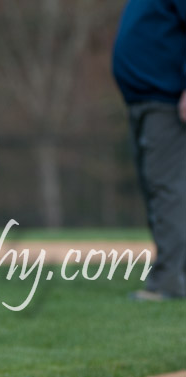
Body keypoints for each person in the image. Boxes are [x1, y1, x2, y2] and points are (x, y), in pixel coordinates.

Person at [113, 0, 186, 301]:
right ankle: (172, 275)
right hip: (144, 100)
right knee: (157, 189)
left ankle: (170, 281)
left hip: (167, 102)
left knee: (168, 189)